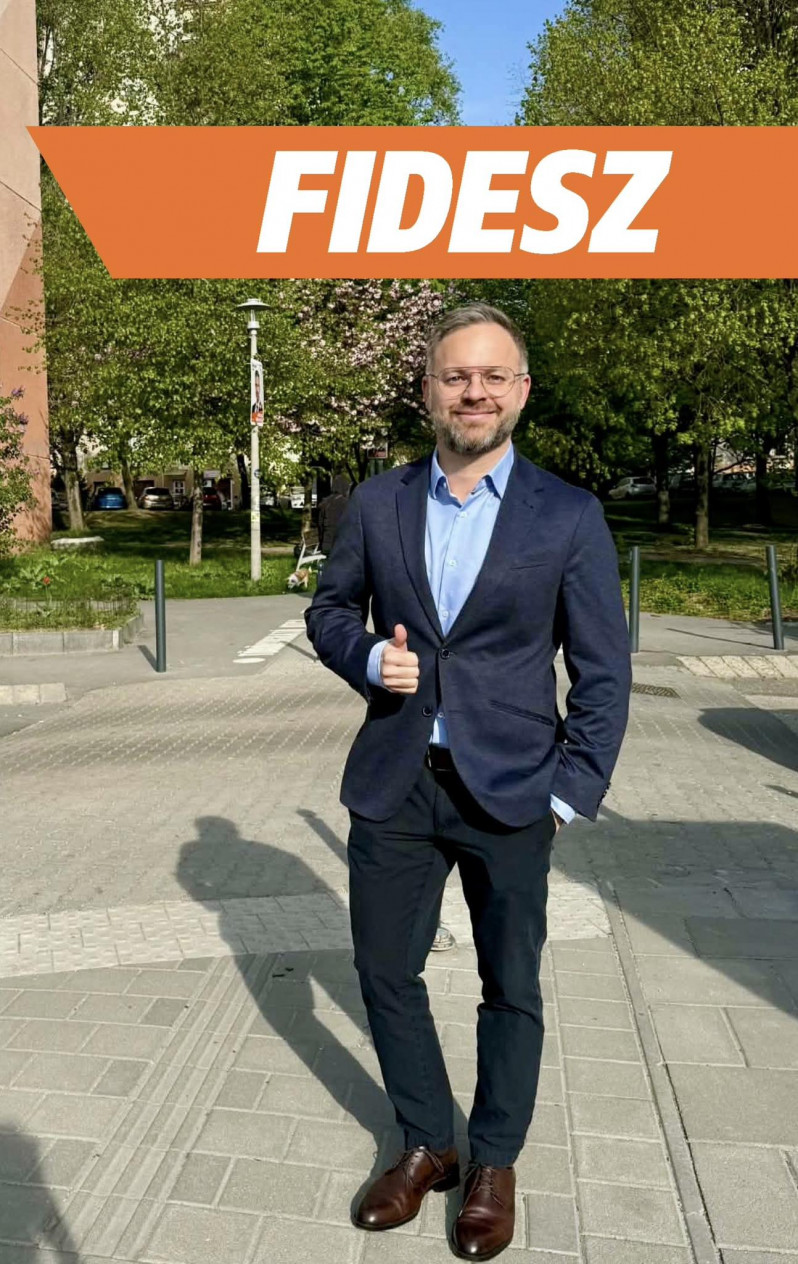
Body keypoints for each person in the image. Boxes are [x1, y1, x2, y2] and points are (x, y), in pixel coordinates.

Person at [305, 303, 631, 1260]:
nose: (474, 392)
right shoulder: (378, 503)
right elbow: (330, 610)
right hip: (395, 781)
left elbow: (603, 673)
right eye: (456, 376)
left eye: (492, 376)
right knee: (384, 971)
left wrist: (567, 793)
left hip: (515, 789)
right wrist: (370, 658)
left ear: (520, 390)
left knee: (509, 983)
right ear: (428, 391)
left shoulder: (567, 515)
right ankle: (427, 1143)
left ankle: (493, 1161)